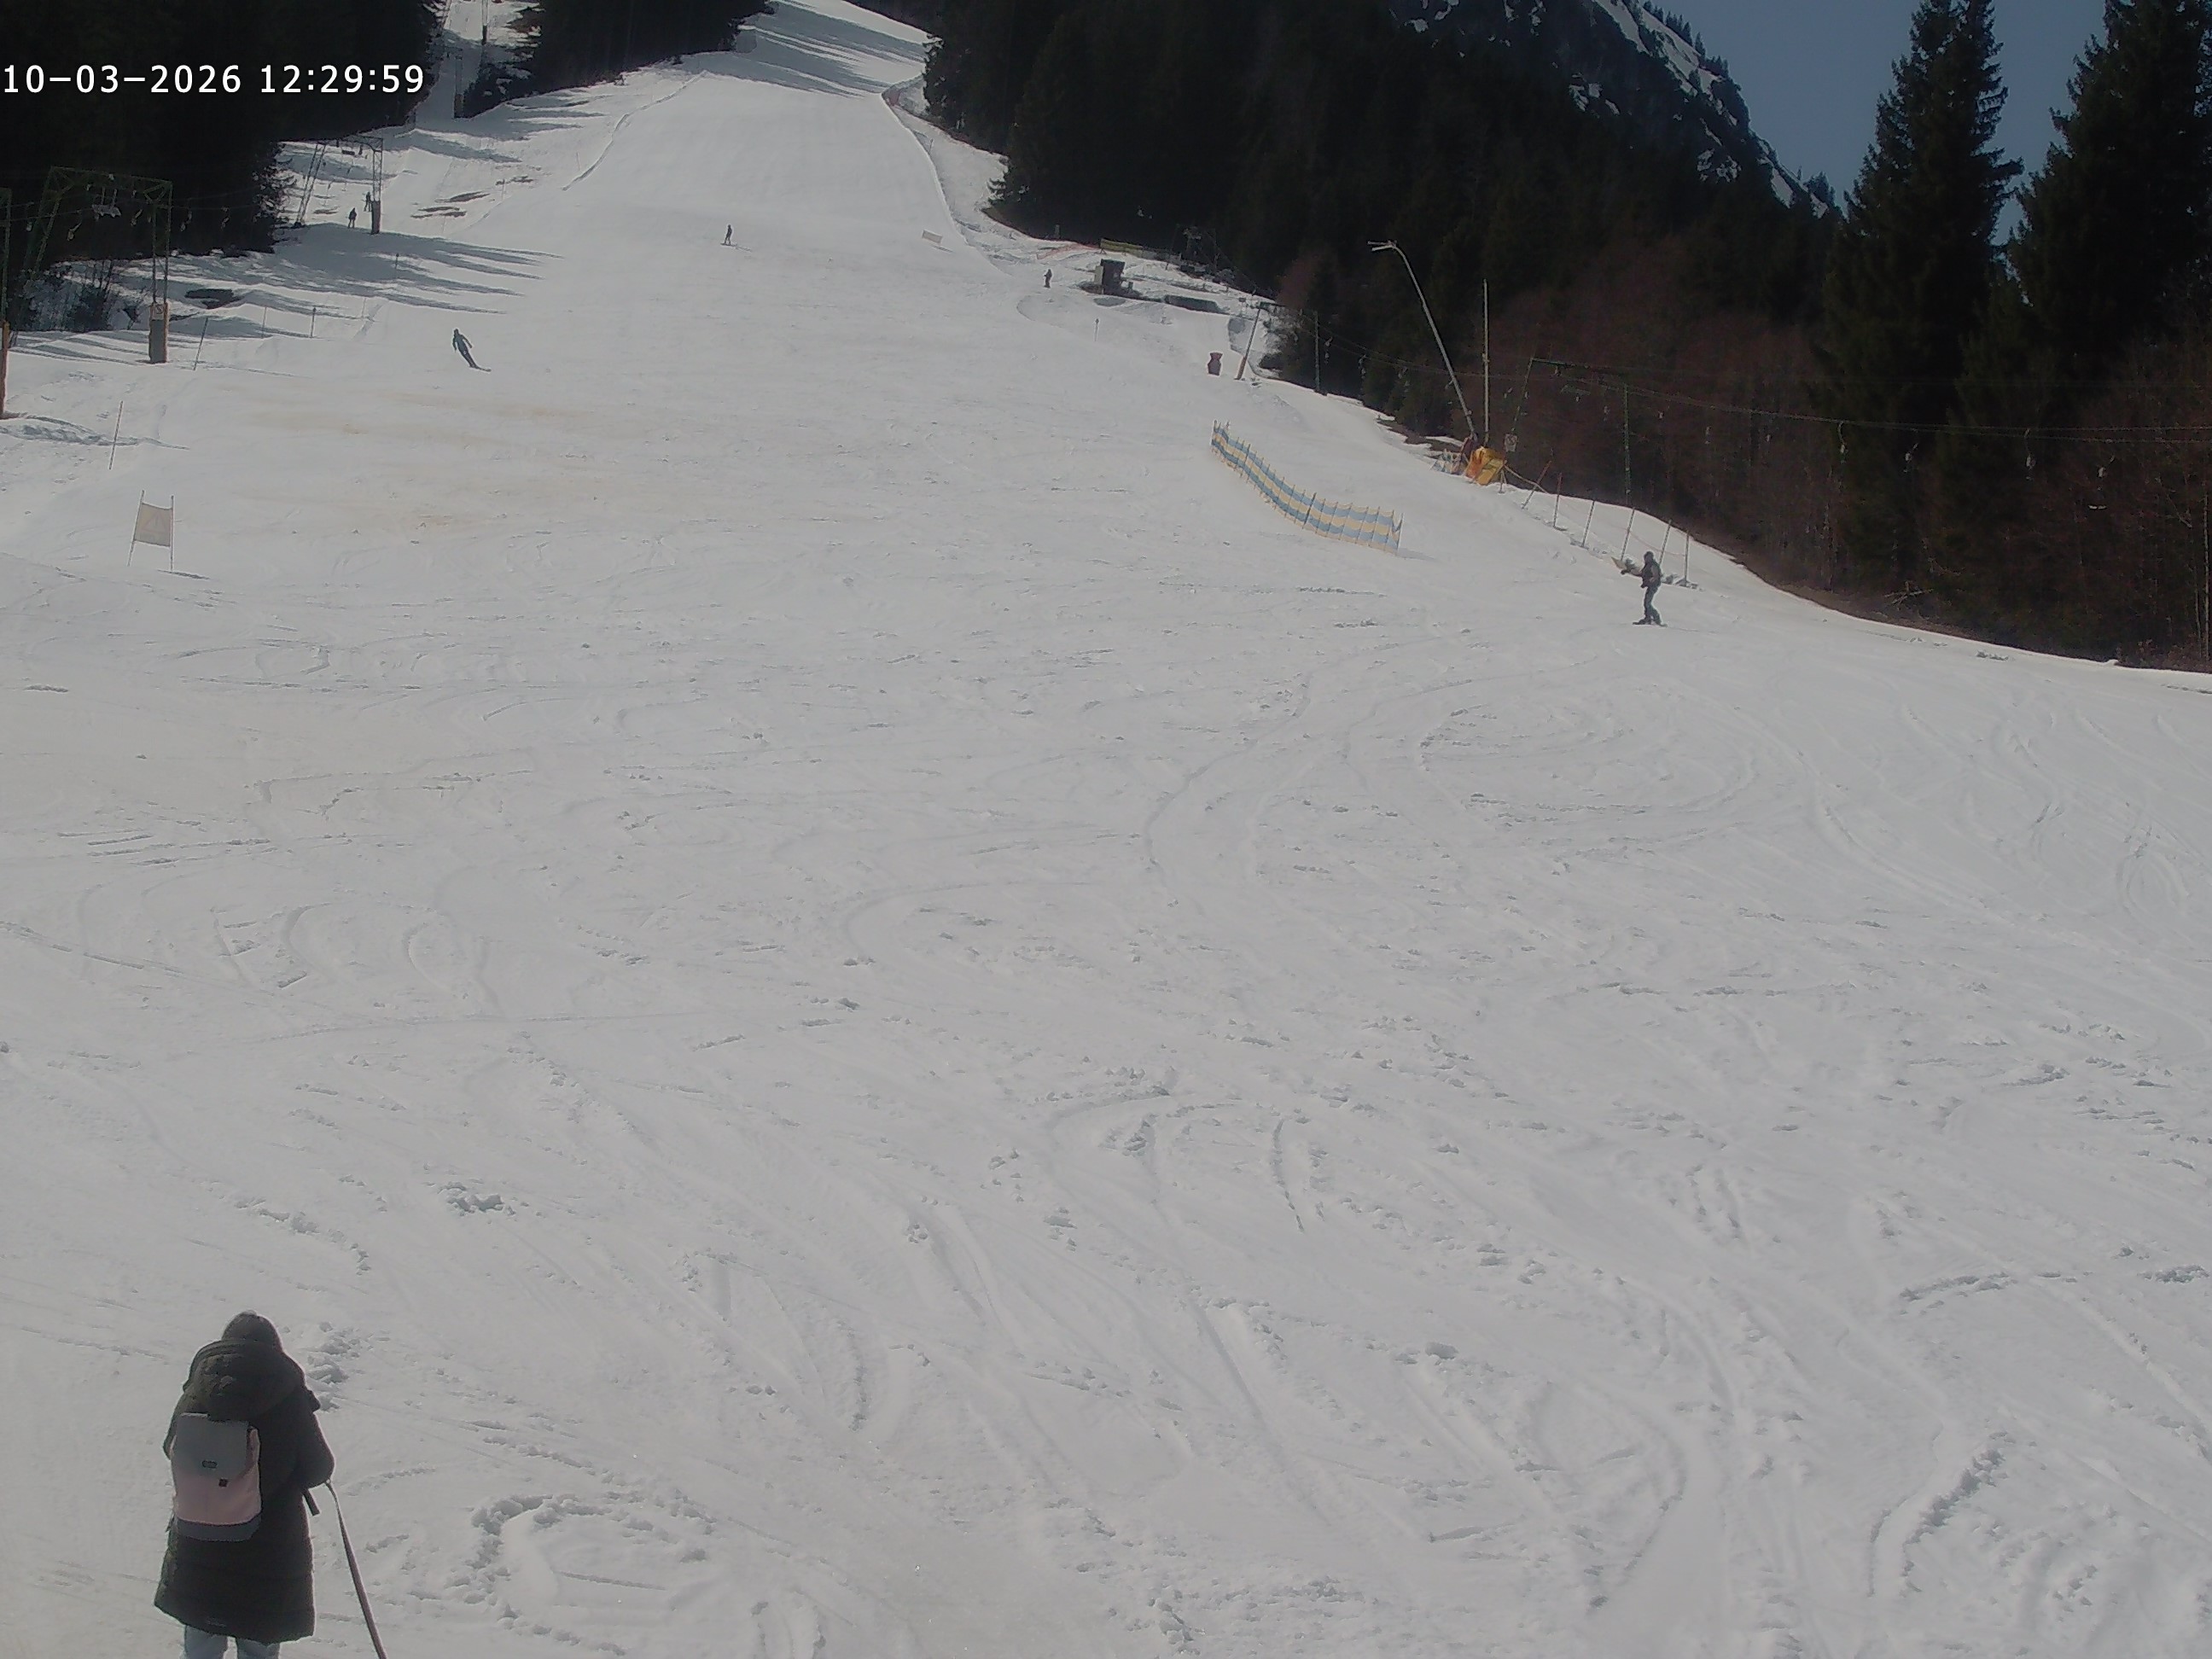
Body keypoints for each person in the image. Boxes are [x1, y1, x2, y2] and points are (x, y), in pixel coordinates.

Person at [156, 1313, 335, 1659]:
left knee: (201, 1640)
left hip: (200, 1534)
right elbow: (318, 1468)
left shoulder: (198, 1390)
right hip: (268, 1544)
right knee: (258, 1641)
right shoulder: (287, 1396)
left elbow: (171, 1447)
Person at [1635, 549, 1663, 625]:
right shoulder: (1648, 565)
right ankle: (1648, 618)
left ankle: (1656, 618)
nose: (1645, 559)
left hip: (1653, 586)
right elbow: (1643, 574)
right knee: (1646, 602)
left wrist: (1648, 582)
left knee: (1647, 603)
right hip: (1650, 586)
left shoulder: (1653, 565)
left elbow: (1655, 576)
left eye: (1647, 558)